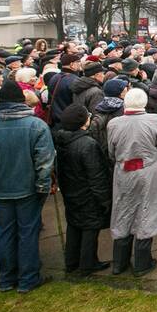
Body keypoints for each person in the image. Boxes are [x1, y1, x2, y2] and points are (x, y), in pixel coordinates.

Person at [0, 81, 56, 293]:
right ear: (21, 101)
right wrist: (43, 188)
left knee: (4, 233)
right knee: (27, 233)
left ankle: (6, 279)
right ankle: (28, 279)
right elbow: (45, 162)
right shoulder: (36, 126)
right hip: (28, 190)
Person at [106, 88, 157, 276]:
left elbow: (111, 151)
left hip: (124, 171)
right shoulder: (156, 121)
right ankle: (142, 262)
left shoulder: (114, 123)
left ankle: (119, 262)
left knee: (123, 210)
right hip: (149, 171)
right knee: (147, 210)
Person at [54, 103, 111, 275]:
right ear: (82, 122)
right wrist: (105, 200)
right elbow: (97, 175)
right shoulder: (87, 144)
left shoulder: (62, 139)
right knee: (90, 228)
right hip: (87, 193)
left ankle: (71, 261)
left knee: (74, 225)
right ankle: (88, 264)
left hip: (71, 190)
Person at [89, 78, 127, 163]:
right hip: (119, 152)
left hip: (105, 150)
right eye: (125, 90)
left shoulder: (101, 106)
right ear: (120, 94)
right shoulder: (123, 109)